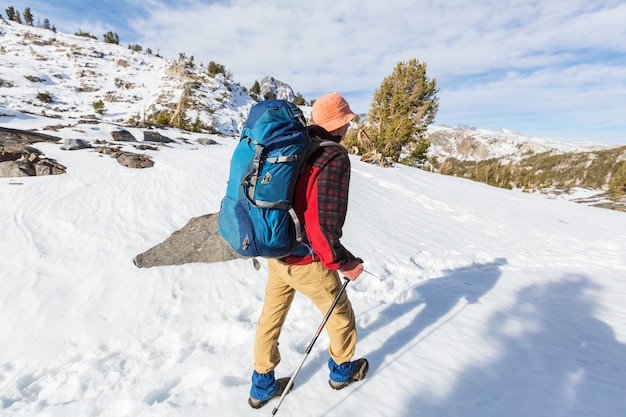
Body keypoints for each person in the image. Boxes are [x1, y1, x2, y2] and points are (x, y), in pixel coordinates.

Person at [248, 92, 368, 409]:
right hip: (307, 262)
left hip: (277, 252)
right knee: (341, 317)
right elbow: (320, 227)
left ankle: (261, 387)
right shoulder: (333, 157)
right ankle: (342, 372)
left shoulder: (296, 144)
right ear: (343, 122)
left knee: (269, 319)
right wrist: (345, 263)